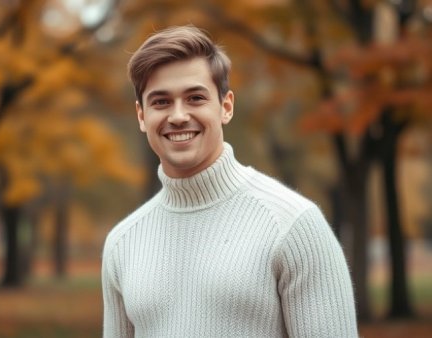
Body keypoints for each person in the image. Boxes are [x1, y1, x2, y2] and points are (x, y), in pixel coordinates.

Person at [101, 25, 358, 337]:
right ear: (142, 116)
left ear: (225, 107)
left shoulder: (293, 226)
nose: (178, 115)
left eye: (195, 98)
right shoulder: (123, 243)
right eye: (161, 102)